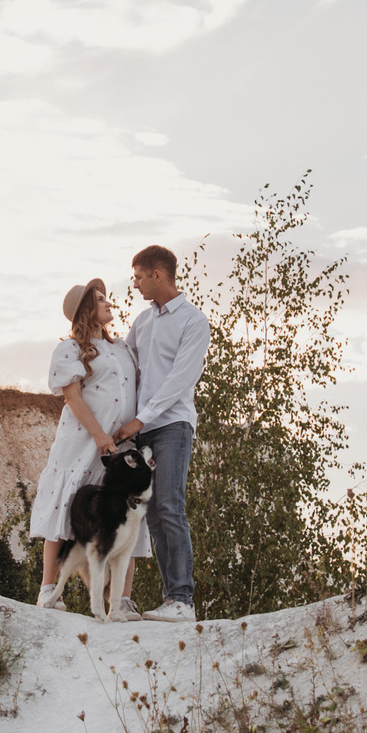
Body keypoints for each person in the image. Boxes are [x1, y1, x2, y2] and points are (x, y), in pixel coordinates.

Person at [28, 278, 147, 609]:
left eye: (106, 297)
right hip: (82, 442)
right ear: (85, 309)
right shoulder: (69, 349)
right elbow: (73, 397)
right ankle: (49, 590)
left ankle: (120, 599)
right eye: (99, 298)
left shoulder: (122, 347)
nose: (108, 302)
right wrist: (98, 436)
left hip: (119, 445)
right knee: (64, 507)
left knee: (125, 515)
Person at [113, 243, 208, 623]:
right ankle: (170, 601)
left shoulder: (193, 321)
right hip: (143, 429)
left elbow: (179, 380)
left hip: (172, 425)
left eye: (138, 276)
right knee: (152, 514)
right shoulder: (143, 321)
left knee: (170, 505)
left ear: (158, 274)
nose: (133, 284)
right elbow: (126, 361)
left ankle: (182, 600)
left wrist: (141, 419)